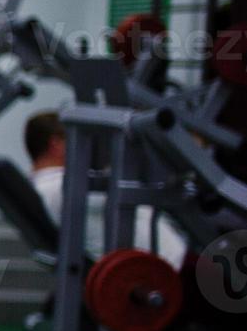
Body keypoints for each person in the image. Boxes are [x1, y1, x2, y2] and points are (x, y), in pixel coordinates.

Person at [25, 111, 189, 269]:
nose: (89, 149)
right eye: (81, 140)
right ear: (57, 144)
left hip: (165, 266)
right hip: (166, 271)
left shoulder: (49, 185)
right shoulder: (59, 187)